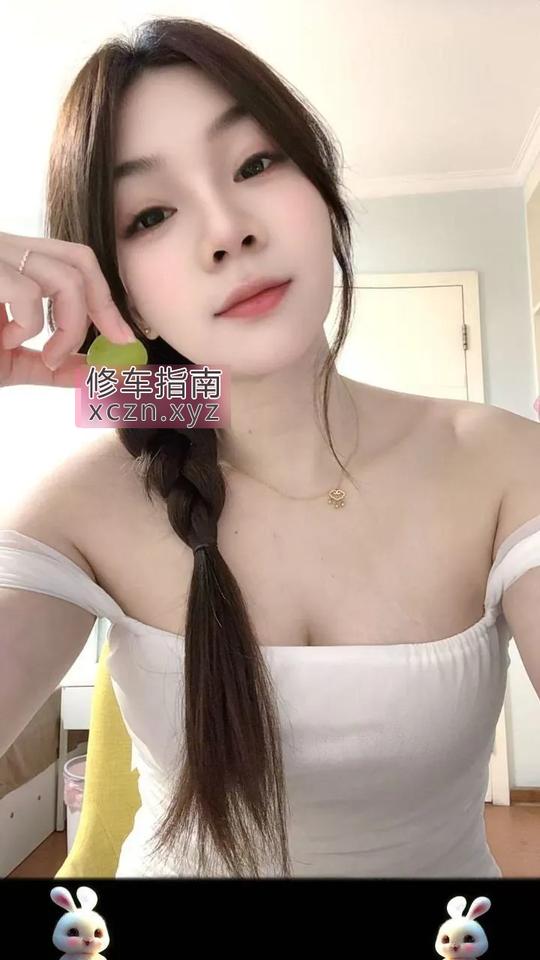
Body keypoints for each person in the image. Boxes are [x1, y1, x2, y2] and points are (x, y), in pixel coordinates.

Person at [1, 15, 539, 879]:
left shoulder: (505, 464)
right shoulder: (79, 508)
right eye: (151, 214)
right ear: (118, 293)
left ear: (322, 190)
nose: (227, 230)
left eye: (255, 164)